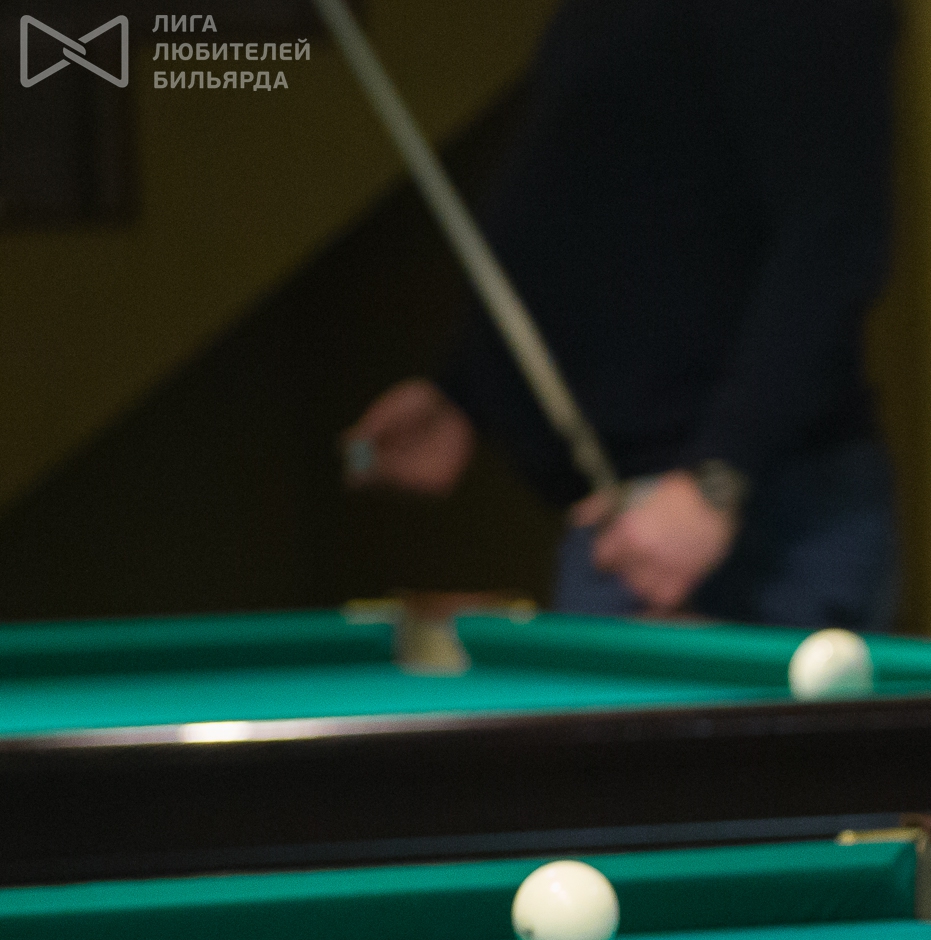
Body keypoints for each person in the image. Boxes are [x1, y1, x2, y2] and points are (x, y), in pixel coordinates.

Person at [343, 0, 897, 628]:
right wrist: (467, 388)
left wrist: (716, 479)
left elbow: (833, 240)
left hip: (747, 524)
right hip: (636, 516)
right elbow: (608, 196)